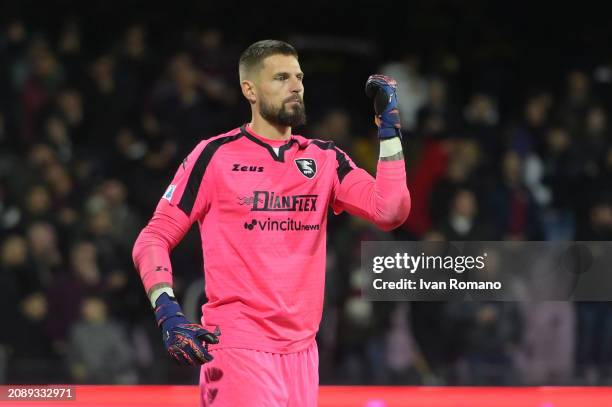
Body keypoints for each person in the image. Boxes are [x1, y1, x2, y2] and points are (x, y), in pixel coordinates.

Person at [132, 39, 411, 406]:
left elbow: (390, 210)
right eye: (281, 78)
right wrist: (167, 311)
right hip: (237, 351)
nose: (296, 85)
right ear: (249, 89)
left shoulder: (326, 159)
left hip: (302, 356)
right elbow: (152, 238)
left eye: (299, 77)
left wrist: (388, 132)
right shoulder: (214, 156)